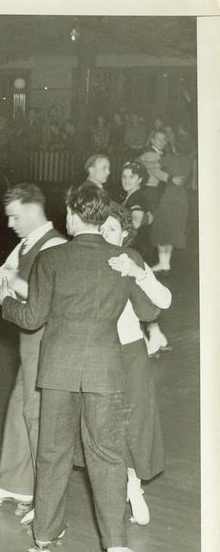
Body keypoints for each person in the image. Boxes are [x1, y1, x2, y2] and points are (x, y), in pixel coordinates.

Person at [0, 185, 160, 552]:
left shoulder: (52, 258)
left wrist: (5, 300)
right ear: (103, 217)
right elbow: (150, 307)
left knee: (53, 451)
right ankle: (118, 546)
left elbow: (32, 317)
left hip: (58, 370)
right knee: (108, 456)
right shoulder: (124, 258)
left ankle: (45, 536)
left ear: (71, 215)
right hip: (105, 369)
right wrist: (137, 271)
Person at [0, 184, 67, 520]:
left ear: (33, 210)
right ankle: (17, 482)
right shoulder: (24, 245)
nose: (10, 223)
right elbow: (0, 276)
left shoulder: (56, 246)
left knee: (36, 414)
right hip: (28, 339)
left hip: (47, 339)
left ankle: (44, 497)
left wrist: (11, 285)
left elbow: (49, 297)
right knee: (20, 406)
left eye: (15, 216)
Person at [100, 202, 171, 525]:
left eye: (111, 229)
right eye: (100, 228)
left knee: (135, 422)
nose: (104, 233)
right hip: (95, 352)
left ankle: (134, 486)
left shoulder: (131, 260)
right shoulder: (88, 258)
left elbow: (162, 302)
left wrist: (138, 273)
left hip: (129, 350)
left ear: (125, 234)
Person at [120, 160, 170, 357]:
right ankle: (156, 335)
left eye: (131, 177)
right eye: (124, 176)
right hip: (138, 249)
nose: (126, 180)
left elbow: (136, 223)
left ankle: (152, 338)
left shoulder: (137, 197)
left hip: (138, 250)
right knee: (140, 295)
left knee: (139, 295)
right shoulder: (131, 196)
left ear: (140, 178)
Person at [150, 141, 191, 275]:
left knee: (161, 227)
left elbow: (150, 164)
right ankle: (165, 265)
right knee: (172, 230)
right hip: (182, 198)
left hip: (169, 197)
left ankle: (164, 264)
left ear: (174, 147)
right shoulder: (187, 161)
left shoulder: (170, 159)